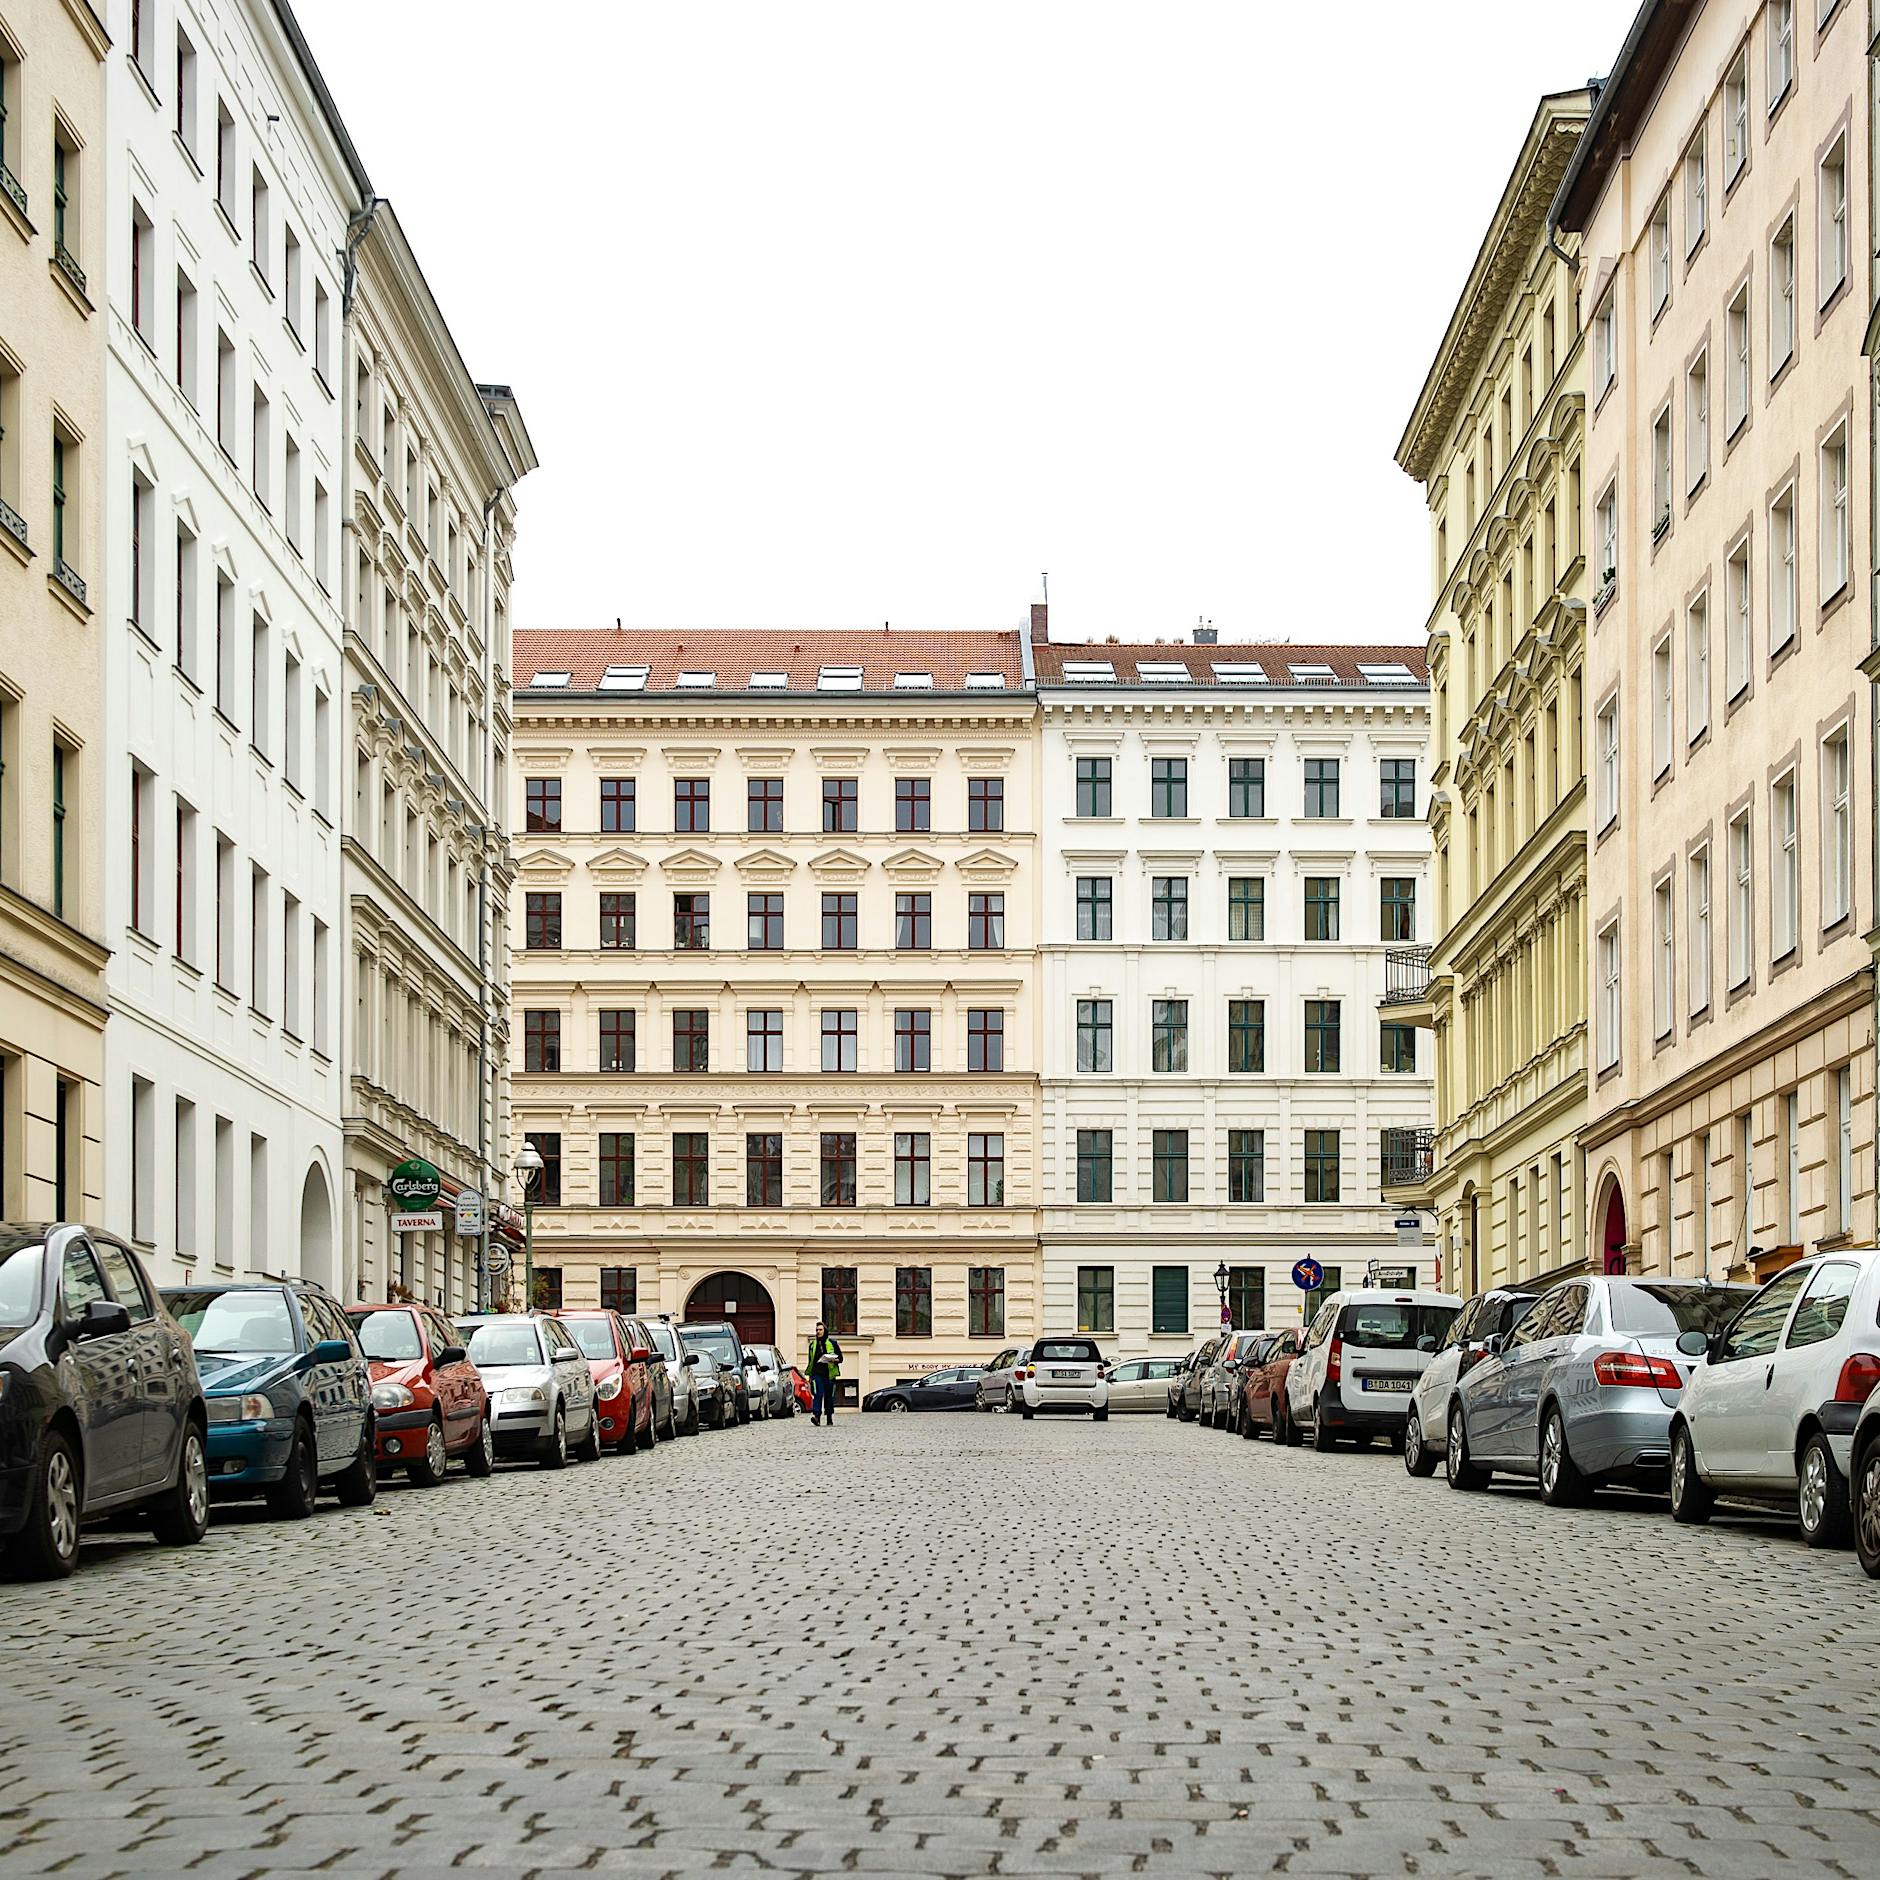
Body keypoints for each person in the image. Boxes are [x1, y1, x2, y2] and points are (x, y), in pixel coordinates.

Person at [805, 1321, 843, 1426]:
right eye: (817, 1330)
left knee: (829, 1396)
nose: (818, 1332)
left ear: (825, 1331)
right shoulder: (813, 1345)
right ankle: (816, 1416)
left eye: (820, 1330)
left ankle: (829, 1417)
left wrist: (833, 1360)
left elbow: (840, 1358)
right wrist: (810, 1377)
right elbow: (810, 1361)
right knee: (818, 1394)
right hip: (817, 1374)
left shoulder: (832, 1343)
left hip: (829, 1374)